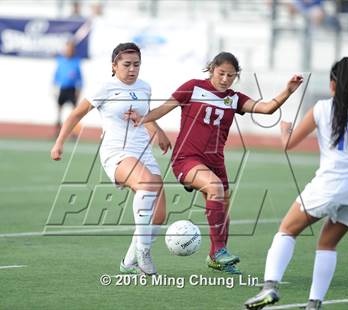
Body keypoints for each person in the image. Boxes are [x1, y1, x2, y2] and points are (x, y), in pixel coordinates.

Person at [125, 52, 303, 274]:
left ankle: (215, 257)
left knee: (223, 208)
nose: (225, 79)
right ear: (211, 69)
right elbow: (164, 108)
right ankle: (219, 251)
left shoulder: (234, 98)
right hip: (186, 158)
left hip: (216, 162)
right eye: (221, 73)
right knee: (215, 188)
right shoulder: (193, 87)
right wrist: (143, 119)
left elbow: (266, 109)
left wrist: (288, 90)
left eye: (231, 75)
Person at [244, 57, 348, 309]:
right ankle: (314, 303)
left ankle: (269, 287)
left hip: (330, 185)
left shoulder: (322, 108)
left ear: (332, 84)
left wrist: (284, 128)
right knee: (328, 244)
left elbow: (289, 145)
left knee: (287, 230)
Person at [50, 42, 171, 275]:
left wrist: (159, 132)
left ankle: (128, 263)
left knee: (158, 215)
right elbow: (76, 114)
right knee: (147, 185)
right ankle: (144, 254)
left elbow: (144, 116)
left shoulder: (145, 87)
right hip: (117, 151)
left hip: (143, 150)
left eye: (137, 64)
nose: (132, 69)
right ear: (114, 66)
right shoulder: (105, 88)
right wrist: (59, 143)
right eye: (127, 64)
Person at [53, 40, 83, 138]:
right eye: (68, 48)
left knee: (74, 112)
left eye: (71, 49)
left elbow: (80, 78)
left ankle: (73, 132)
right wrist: (54, 88)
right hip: (62, 89)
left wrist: (79, 91)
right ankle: (58, 130)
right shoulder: (60, 60)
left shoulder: (76, 61)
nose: (69, 51)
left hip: (72, 89)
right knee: (59, 110)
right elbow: (56, 76)